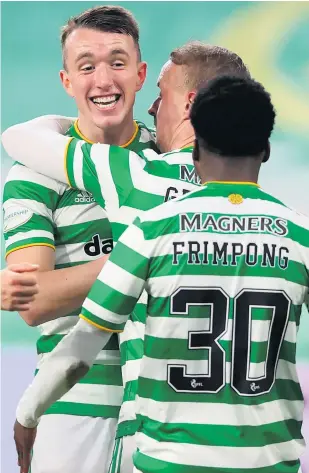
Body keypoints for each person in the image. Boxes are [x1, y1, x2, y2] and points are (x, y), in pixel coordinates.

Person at [13, 75, 309, 473]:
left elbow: (80, 351)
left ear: (196, 149)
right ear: (267, 150)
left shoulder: (151, 230)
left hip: (167, 461)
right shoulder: (300, 237)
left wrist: (28, 414)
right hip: (269, 462)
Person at [2, 5, 157, 473]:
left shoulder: (166, 161)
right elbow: (35, 302)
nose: (103, 79)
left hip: (159, 402)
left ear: (140, 73)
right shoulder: (32, 171)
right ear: (68, 81)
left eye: (117, 62)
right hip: (72, 403)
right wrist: (146, 254)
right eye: (86, 66)